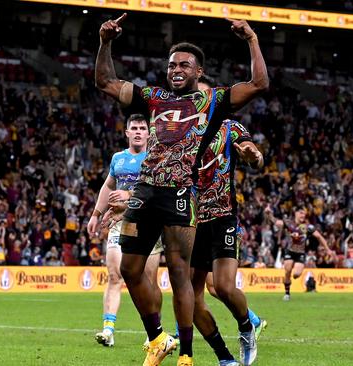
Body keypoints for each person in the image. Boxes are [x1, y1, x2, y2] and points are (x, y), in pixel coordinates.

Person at [96, 13, 268, 366]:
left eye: (185, 65)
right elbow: (106, 82)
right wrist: (105, 42)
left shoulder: (214, 103)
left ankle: (187, 355)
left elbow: (259, 84)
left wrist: (251, 39)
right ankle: (158, 337)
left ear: (198, 72)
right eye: (172, 64)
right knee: (129, 269)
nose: (176, 69)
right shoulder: (152, 97)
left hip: (182, 195)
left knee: (182, 276)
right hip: (144, 192)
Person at [191, 76, 266, 366]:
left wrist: (254, 156)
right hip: (188, 221)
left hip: (222, 216)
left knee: (222, 287)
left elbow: (254, 157)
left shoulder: (230, 126)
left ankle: (247, 326)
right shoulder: (179, 131)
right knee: (190, 297)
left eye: (203, 96)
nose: (197, 101)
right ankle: (224, 357)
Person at [87, 114, 164, 348]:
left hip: (149, 223)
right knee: (114, 274)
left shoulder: (155, 158)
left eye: (143, 128)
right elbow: (108, 186)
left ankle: (154, 332)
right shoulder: (118, 159)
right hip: (122, 223)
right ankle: (108, 330)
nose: (139, 131)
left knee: (149, 280)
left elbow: (158, 191)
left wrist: (128, 196)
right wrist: (95, 214)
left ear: (149, 133)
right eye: (134, 128)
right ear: (127, 132)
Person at [264, 206, 333, 301]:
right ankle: (287, 293)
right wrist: (269, 214)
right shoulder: (288, 223)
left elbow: (319, 237)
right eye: (301, 213)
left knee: (296, 274)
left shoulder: (308, 227)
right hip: (289, 251)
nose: (303, 215)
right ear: (295, 213)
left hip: (300, 253)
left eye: (304, 214)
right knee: (287, 270)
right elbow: (276, 222)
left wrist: (327, 249)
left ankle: (290, 281)